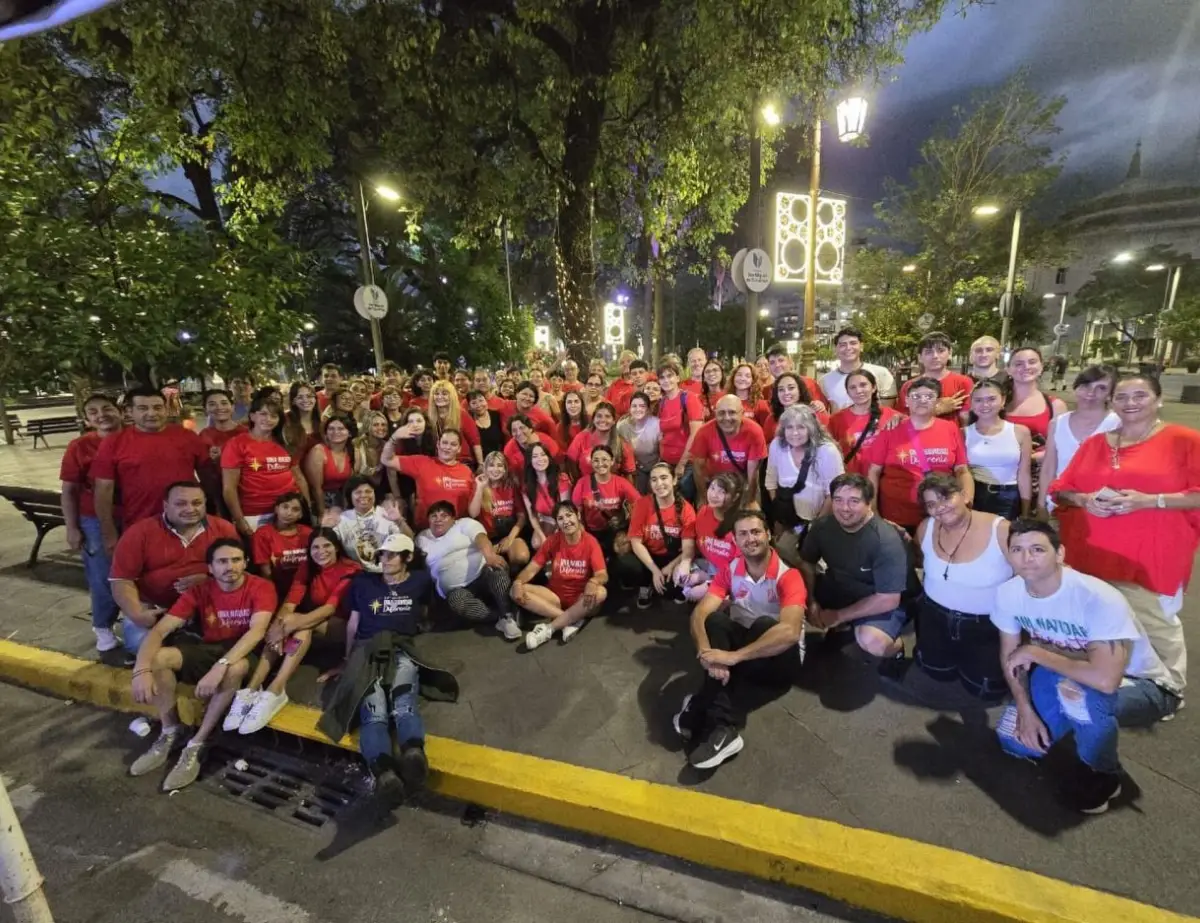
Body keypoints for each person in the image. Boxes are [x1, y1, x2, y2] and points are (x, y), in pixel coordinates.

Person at [992, 519, 1177, 813]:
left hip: (1143, 686)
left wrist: (1036, 652)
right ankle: (1071, 724)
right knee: (1012, 741)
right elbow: (1010, 656)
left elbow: (1105, 681)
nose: (1026, 558)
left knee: (1079, 697)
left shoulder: (1098, 598)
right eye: (1017, 549)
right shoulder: (1009, 593)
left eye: (1038, 549)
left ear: (1060, 553)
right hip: (1067, 671)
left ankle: (1103, 775)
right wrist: (1025, 710)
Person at [1050, 374, 1200, 707]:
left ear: (1158, 399)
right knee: (1101, 615)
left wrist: (1150, 500)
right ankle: (1115, 673)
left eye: (1140, 395)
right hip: (1093, 547)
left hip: (1151, 548)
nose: (1130, 402)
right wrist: (1086, 500)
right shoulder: (1097, 443)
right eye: (1122, 396)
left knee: (1155, 620)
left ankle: (1169, 688)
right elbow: (1062, 489)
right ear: (1112, 402)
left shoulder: (1184, 440)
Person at [317, 533, 454, 802]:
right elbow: (353, 624)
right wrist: (347, 661)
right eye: (382, 554)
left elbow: (425, 610)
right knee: (375, 712)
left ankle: (414, 752)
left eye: (392, 554)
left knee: (403, 701)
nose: (385, 559)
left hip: (401, 648)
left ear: (407, 558)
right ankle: (384, 774)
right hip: (366, 650)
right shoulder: (364, 583)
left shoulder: (420, 581)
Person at [129, 539, 274, 791]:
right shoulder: (200, 591)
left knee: (235, 668)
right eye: (222, 561)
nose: (230, 567)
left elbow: (257, 631)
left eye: (236, 560)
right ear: (210, 567)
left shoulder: (261, 587)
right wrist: (140, 669)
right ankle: (171, 730)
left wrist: (220, 666)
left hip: (243, 649)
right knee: (160, 658)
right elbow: (160, 630)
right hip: (210, 647)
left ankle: (198, 742)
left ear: (246, 562)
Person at [672, 510, 805, 771]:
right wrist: (706, 654)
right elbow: (700, 613)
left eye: (756, 532)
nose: (750, 539)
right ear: (734, 539)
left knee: (766, 625)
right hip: (744, 651)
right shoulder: (729, 570)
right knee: (714, 621)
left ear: (769, 535)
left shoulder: (788, 575)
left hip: (779, 660)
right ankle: (724, 728)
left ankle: (700, 703)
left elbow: (789, 631)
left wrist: (732, 657)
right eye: (742, 534)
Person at [109, 482, 240, 654]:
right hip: (155, 609)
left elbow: (240, 572)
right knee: (143, 649)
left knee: (227, 649)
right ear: (166, 505)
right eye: (181, 503)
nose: (190, 509)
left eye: (196, 503)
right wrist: (137, 614)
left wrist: (210, 580)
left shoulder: (223, 529)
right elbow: (121, 580)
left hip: (208, 607)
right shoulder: (139, 533)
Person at [913, 473, 1012, 699]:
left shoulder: (1001, 530)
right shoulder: (925, 528)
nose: (940, 507)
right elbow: (919, 558)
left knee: (985, 690)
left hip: (986, 627)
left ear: (965, 495)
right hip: (934, 618)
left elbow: (1028, 576)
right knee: (936, 672)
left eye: (946, 497)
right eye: (931, 504)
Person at [799, 474, 911, 660]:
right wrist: (811, 601)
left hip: (879, 596)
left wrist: (837, 616)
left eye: (854, 501)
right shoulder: (822, 527)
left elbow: (889, 599)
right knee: (789, 596)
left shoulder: (885, 540)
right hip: (839, 586)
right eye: (838, 500)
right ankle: (844, 625)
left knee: (872, 641)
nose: (844, 508)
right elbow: (807, 563)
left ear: (868, 503)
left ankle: (896, 651)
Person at [93, 385, 210, 553]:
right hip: (139, 524)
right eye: (143, 408)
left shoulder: (187, 437)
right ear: (129, 412)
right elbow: (103, 491)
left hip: (189, 523)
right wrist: (108, 531)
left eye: (157, 407)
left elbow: (208, 479)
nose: (152, 413)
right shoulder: (113, 443)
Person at [866, 377, 974, 532]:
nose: (922, 400)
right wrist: (873, 510)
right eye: (916, 396)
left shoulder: (950, 429)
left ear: (938, 402)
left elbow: (962, 470)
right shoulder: (890, 430)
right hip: (897, 516)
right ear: (907, 401)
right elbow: (873, 472)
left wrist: (966, 500)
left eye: (929, 396)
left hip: (941, 513)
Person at [60, 393, 124, 652]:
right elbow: (69, 491)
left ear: (119, 411)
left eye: (107, 408)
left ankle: (136, 622)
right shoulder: (80, 447)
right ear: (87, 419)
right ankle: (103, 628)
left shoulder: (135, 439)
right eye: (94, 412)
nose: (102, 415)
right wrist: (72, 527)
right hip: (94, 521)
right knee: (102, 576)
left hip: (137, 516)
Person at [416, 501, 522, 640]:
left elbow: (481, 538)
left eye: (444, 515)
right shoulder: (422, 538)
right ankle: (499, 617)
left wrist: (490, 556)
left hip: (482, 572)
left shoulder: (463, 524)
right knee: (457, 602)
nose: (438, 519)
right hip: (455, 589)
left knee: (497, 571)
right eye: (434, 516)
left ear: (453, 519)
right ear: (428, 520)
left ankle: (508, 615)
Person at [511, 501, 609, 649]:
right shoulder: (553, 541)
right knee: (514, 590)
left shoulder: (590, 542)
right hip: (555, 597)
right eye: (561, 518)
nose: (566, 521)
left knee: (601, 593)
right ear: (557, 523)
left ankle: (548, 629)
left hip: (581, 600)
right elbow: (531, 569)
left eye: (569, 515)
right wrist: (518, 583)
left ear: (578, 516)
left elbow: (603, 574)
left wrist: (593, 582)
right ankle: (571, 621)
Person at [1037, 365, 1119, 517]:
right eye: (1086, 385)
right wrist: (1042, 504)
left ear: (1110, 395)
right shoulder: (1058, 423)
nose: (1091, 393)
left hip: (1100, 507)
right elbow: (1049, 468)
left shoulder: (1118, 424)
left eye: (1101, 388)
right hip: (1060, 503)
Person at [764, 405, 844, 558]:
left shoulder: (826, 451)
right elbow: (771, 481)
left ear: (811, 429)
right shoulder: (777, 445)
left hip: (817, 519)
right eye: (789, 427)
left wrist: (815, 526)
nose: (794, 433)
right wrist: (780, 513)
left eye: (801, 427)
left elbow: (834, 493)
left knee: (807, 562)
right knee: (782, 554)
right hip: (786, 519)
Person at [221, 395, 305, 538]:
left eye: (274, 416)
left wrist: (307, 506)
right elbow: (229, 488)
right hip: (254, 514)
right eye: (263, 414)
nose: (268, 419)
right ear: (253, 416)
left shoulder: (285, 443)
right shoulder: (236, 444)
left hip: (288, 512)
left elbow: (299, 478)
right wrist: (239, 519)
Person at [620, 463, 697, 608]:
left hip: (672, 557)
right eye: (654, 479)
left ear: (674, 480)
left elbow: (689, 549)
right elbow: (636, 542)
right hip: (648, 555)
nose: (659, 484)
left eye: (663, 478)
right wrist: (655, 570)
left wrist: (671, 566)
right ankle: (646, 584)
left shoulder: (686, 510)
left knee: (670, 592)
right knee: (625, 564)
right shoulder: (642, 504)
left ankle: (666, 580)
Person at [964, 379, 1032, 520]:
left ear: (1003, 401)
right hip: (974, 495)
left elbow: (1024, 474)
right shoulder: (963, 433)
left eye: (991, 399)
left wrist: (1026, 511)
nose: (985, 405)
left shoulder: (1020, 432)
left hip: (1008, 497)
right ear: (971, 404)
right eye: (978, 400)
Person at [385, 429, 475, 528]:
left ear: (459, 449)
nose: (448, 447)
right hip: (427, 530)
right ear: (438, 444)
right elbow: (387, 460)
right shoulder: (422, 463)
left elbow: (473, 508)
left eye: (453, 444)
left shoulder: (467, 471)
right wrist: (394, 438)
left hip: (458, 529)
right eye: (444, 443)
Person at [690, 394, 768, 504]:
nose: (726, 418)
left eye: (732, 412)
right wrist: (703, 498)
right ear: (715, 413)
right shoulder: (704, 432)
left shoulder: (754, 432)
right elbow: (698, 468)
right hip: (714, 482)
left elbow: (753, 475)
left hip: (741, 482)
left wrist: (750, 502)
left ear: (742, 413)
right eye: (721, 413)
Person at [682, 472, 747, 602]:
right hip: (711, 566)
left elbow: (742, 568)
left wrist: (711, 584)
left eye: (722, 492)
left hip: (734, 577)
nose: (714, 495)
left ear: (735, 497)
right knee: (679, 577)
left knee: (697, 595)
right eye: (712, 488)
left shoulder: (742, 525)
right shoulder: (703, 511)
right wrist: (685, 562)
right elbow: (693, 539)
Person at [570, 444, 639, 556]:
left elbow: (639, 505)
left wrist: (629, 530)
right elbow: (575, 512)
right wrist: (580, 532)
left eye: (604, 460)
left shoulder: (621, 482)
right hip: (591, 531)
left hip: (614, 529)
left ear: (612, 461)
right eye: (596, 460)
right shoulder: (582, 483)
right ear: (591, 463)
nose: (600, 464)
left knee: (623, 548)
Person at [828, 369, 899, 477]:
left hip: (885, 481)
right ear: (847, 392)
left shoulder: (892, 416)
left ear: (874, 387)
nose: (858, 390)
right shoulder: (836, 420)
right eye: (852, 387)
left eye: (863, 385)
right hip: (852, 482)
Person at [1004, 347, 1068, 464]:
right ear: (1008, 369)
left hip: (1038, 476)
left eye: (1032, 362)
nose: (1026, 367)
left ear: (1041, 367)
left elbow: (1063, 447)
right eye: (1019, 364)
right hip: (995, 474)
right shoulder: (996, 403)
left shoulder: (1055, 406)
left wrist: (1033, 458)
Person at [468, 451, 530, 570]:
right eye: (491, 465)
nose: (495, 469)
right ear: (485, 468)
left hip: (510, 534)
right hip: (490, 538)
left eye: (500, 465)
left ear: (505, 469)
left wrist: (510, 538)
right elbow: (473, 513)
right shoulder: (479, 486)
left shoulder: (511, 486)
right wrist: (480, 488)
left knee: (521, 556)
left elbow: (522, 517)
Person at [332, 476, 409, 570]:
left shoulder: (387, 514)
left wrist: (399, 521)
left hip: (387, 571)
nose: (363, 495)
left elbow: (408, 541)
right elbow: (328, 545)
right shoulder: (342, 519)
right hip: (357, 574)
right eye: (358, 492)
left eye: (368, 491)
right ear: (350, 496)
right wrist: (326, 527)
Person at [897, 332, 974, 422]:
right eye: (929, 352)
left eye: (941, 350)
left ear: (950, 353)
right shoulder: (908, 386)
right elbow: (902, 420)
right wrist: (936, 409)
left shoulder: (964, 382)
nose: (935, 356)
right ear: (920, 357)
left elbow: (971, 419)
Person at [252, 491, 312, 602]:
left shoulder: (308, 533)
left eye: (295, 510)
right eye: (285, 507)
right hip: (277, 589)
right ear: (276, 509)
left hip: (305, 588)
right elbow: (265, 572)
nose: (288, 513)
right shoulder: (263, 534)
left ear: (301, 515)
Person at [819, 326, 897, 412]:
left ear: (862, 346)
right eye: (843, 345)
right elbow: (823, 414)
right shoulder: (825, 381)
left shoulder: (881, 373)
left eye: (853, 343)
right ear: (835, 349)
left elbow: (888, 412)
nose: (848, 348)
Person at [657, 359, 704, 498]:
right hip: (666, 461)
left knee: (684, 503)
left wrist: (681, 464)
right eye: (662, 377)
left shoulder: (689, 399)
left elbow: (695, 434)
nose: (666, 380)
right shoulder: (662, 402)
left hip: (686, 464)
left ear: (678, 377)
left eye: (670, 376)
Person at [304, 414, 357, 521]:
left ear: (350, 433)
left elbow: (352, 485)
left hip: (343, 501)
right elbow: (316, 489)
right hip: (321, 501)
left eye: (341, 429)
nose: (335, 432)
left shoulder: (354, 452)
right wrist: (322, 514)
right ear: (326, 433)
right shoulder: (318, 451)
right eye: (331, 429)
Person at [522, 442, 574, 549]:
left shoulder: (561, 479)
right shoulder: (527, 487)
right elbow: (532, 516)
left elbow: (565, 510)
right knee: (537, 543)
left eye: (543, 454)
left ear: (548, 457)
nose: (540, 459)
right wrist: (542, 536)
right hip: (545, 519)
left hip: (563, 519)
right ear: (530, 461)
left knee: (558, 543)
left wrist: (557, 531)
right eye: (535, 456)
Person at [566, 401, 634, 481]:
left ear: (613, 421)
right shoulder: (581, 437)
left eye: (607, 416)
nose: (603, 420)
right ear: (593, 420)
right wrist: (579, 484)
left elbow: (628, 476)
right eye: (599, 416)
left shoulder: (622, 444)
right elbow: (571, 463)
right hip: (585, 487)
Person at [429, 379, 483, 468]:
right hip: (438, 462)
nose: (440, 397)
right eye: (436, 394)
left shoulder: (462, 414)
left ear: (452, 396)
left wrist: (481, 464)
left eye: (444, 394)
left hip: (462, 461)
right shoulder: (429, 416)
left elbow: (475, 442)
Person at [617, 391, 660, 493]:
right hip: (635, 469)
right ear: (629, 408)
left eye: (642, 406)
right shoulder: (621, 426)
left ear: (648, 409)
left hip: (655, 465)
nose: (638, 409)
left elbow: (662, 452)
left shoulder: (656, 424)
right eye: (634, 406)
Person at [197, 389, 246, 476]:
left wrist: (225, 457)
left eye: (224, 403)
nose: (219, 408)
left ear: (233, 407)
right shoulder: (204, 435)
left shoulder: (245, 433)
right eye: (212, 404)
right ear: (205, 409)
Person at [764, 344, 826, 411]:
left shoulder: (809, 384)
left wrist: (820, 405)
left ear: (790, 361)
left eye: (781, 360)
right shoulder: (766, 392)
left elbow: (821, 411)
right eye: (772, 362)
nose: (777, 365)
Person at [281, 381, 321, 459]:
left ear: (315, 399)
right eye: (300, 397)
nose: (305, 400)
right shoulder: (285, 420)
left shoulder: (321, 423)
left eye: (309, 396)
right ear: (293, 401)